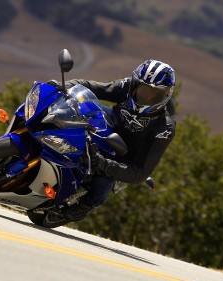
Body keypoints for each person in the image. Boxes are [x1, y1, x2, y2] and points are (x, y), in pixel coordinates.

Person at [44, 59, 177, 228]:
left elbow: (140, 172)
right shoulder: (127, 87)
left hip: (126, 154)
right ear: (135, 83)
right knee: (82, 108)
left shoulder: (165, 128)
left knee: (104, 175)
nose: (146, 97)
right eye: (143, 90)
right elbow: (91, 86)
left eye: (154, 95)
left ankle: (87, 204)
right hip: (111, 123)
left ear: (166, 96)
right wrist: (65, 86)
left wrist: (104, 164)